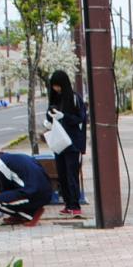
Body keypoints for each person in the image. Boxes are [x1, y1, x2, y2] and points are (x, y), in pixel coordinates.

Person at [45, 69, 87, 217]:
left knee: (71, 174)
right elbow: (49, 116)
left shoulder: (74, 98)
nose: (56, 89)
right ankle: (68, 203)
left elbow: (80, 118)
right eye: (54, 86)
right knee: (62, 174)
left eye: (58, 86)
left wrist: (65, 117)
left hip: (72, 143)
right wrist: (49, 120)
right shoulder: (54, 99)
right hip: (58, 143)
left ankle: (75, 205)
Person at [0, 146, 53, 226]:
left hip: (34, 194)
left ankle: (30, 214)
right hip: (46, 193)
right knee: (8, 195)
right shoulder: (12, 158)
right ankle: (19, 215)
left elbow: (6, 187)